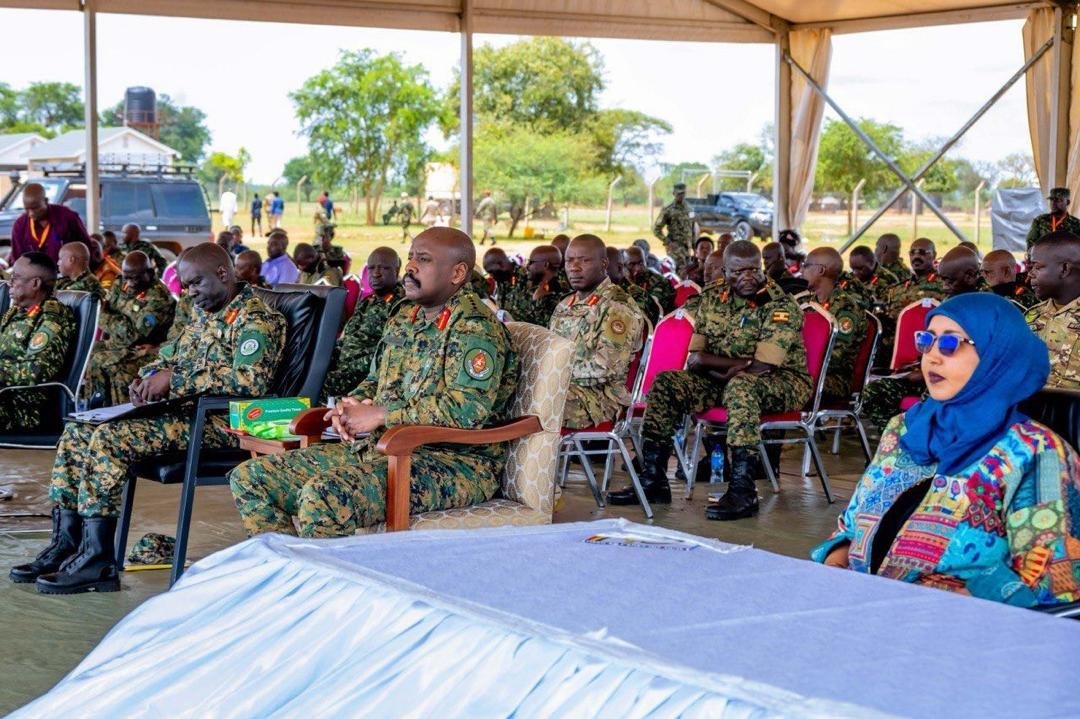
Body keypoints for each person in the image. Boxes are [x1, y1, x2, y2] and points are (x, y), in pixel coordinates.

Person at [11, 243, 286, 594]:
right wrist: (149, 377)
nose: (189, 293)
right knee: (79, 431)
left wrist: (174, 380)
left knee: (110, 439)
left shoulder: (256, 319)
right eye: (185, 286)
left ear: (222, 273)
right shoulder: (205, 315)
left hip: (224, 422)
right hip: (183, 414)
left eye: (195, 284)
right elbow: (168, 354)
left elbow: (249, 382)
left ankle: (98, 560)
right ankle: (68, 544)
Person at [228, 227, 519, 538]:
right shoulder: (405, 317)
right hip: (380, 449)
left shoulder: (475, 327)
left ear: (458, 272)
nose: (410, 267)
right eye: (410, 258)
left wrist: (381, 415)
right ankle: (290, 570)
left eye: (423, 260)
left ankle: (329, 584)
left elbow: (467, 409)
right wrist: (350, 407)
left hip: (454, 463)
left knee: (325, 495)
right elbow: (374, 381)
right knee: (250, 477)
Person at [813, 293, 1080, 607]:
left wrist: (938, 604)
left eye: (951, 344)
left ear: (997, 354)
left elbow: (1051, 583)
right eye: (927, 340)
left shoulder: (1035, 452)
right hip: (859, 604)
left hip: (958, 627)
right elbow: (851, 524)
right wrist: (834, 569)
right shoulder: (903, 429)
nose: (932, 357)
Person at [608, 241, 811, 518]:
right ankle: (653, 479)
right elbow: (696, 357)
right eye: (738, 272)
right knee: (667, 383)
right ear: (724, 271)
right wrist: (724, 367)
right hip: (722, 379)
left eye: (754, 270)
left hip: (782, 382)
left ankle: (743, 490)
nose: (747, 277)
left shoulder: (779, 305)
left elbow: (763, 365)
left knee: (742, 386)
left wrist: (717, 365)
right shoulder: (714, 297)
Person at [863, 245, 978, 431]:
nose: (944, 286)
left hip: (959, 382)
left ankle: (922, 440)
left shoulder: (983, 309)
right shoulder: (948, 304)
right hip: (929, 374)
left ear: (970, 276)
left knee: (929, 406)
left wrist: (927, 373)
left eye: (949, 281)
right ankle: (900, 439)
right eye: (943, 280)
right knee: (873, 393)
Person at [548, 235, 644, 429]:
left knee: (538, 403)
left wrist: (553, 373)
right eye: (569, 260)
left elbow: (605, 366)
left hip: (600, 400)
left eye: (584, 260)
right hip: (565, 389)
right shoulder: (565, 305)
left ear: (603, 263)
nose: (574, 267)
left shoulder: (617, 307)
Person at [85, 251, 177, 407]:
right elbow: (111, 311)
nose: (129, 282)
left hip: (148, 350)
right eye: (125, 276)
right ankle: (94, 408)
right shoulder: (122, 282)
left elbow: (131, 335)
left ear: (149, 273)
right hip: (123, 345)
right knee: (90, 353)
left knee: (112, 365)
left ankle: (121, 413)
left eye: (134, 277)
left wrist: (102, 315)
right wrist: (112, 319)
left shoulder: (158, 297)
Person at [0, 252, 76, 431]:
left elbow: (35, 370)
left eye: (16, 277)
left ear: (35, 283)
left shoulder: (52, 318)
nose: (10, 282)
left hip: (23, 408)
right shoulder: (18, 312)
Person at [321, 247, 404, 400]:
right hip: (343, 366)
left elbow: (394, 346)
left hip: (365, 374)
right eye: (371, 268)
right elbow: (347, 338)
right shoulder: (368, 301)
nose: (376, 273)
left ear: (397, 270)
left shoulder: (403, 305)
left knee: (318, 385)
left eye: (384, 268)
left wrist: (354, 365)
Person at [799, 247, 868, 401]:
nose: (802, 270)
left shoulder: (846, 309)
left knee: (781, 387)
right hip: (804, 372)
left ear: (821, 270)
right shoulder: (804, 302)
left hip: (834, 379)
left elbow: (834, 358)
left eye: (806, 265)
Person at [1025, 231, 1080, 389]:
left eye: (1037, 267)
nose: (1030, 275)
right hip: (1035, 410)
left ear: (1064, 269)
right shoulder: (1033, 316)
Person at [9, 183, 91, 263]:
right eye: (27, 209)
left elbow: (85, 246)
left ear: (46, 201)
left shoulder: (67, 217)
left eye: (35, 208)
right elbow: (17, 259)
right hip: (33, 274)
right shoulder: (20, 225)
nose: (31, 213)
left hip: (66, 273)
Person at [626, 245, 674, 325]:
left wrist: (631, 283)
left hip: (658, 327)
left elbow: (649, 309)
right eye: (632, 264)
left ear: (646, 262)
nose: (637, 268)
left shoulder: (659, 281)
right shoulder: (621, 280)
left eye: (641, 263)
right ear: (624, 265)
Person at [653, 183, 693, 269]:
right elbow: (656, 229)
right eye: (678, 194)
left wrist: (694, 245)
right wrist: (668, 242)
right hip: (675, 249)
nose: (681, 196)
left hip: (688, 249)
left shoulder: (690, 208)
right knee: (677, 274)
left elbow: (692, 227)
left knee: (688, 274)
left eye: (683, 193)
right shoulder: (668, 210)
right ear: (673, 193)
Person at [606, 246, 650, 321]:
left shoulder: (636, 294)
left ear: (619, 268)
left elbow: (635, 323)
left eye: (604, 268)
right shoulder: (594, 289)